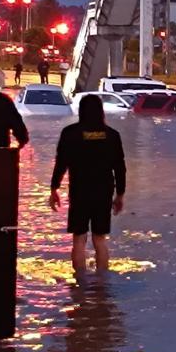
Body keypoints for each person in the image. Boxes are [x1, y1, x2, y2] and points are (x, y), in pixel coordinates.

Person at [49, 95, 127, 275]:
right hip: (104, 192)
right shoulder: (112, 135)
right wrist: (120, 194)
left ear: (81, 111)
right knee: (100, 239)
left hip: (79, 191)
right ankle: (101, 286)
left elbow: (61, 164)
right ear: (101, 111)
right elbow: (120, 168)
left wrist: (54, 189)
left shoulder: (70, 133)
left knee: (79, 239)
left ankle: (79, 287)